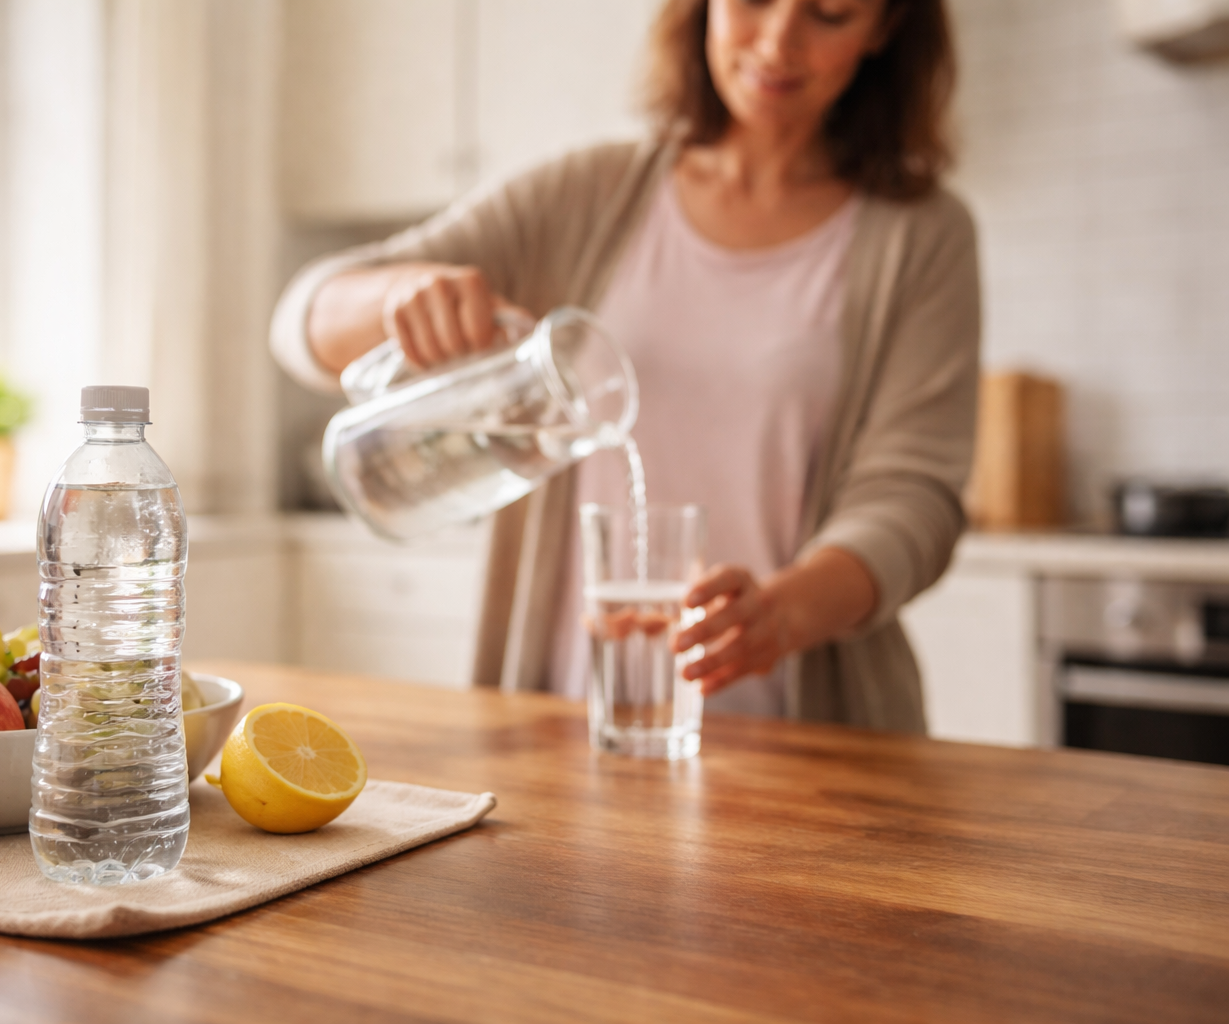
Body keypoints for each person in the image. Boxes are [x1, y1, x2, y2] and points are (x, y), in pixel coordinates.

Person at [270, 0, 979, 732]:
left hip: (806, 738)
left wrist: (782, 614)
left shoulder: (922, 238)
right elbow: (299, 322)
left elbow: (914, 497)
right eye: (754, 1)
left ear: (885, 29)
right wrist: (398, 296)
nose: (778, 42)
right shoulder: (587, 194)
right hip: (557, 724)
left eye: (830, 12)